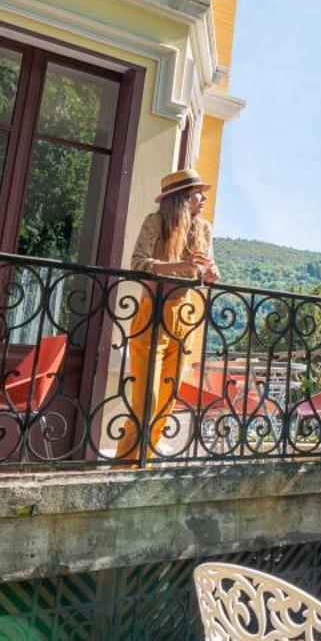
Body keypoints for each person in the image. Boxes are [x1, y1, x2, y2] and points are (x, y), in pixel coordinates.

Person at [114, 168, 220, 463]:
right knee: (145, 399)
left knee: (168, 400)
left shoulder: (204, 229)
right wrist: (180, 266)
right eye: (199, 192)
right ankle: (125, 463)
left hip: (184, 316)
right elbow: (138, 263)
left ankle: (143, 461)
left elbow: (208, 273)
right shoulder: (155, 222)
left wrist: (210, 273)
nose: (204, 197)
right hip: (152, 312)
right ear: (182, 197)